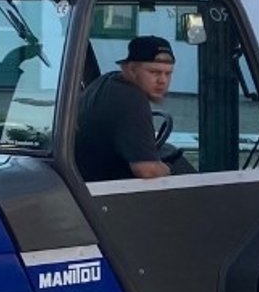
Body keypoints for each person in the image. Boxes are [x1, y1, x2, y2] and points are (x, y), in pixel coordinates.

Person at [74, 35, 191, 182]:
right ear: (131, 69)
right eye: (154, 72)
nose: (162, 81)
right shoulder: (131, 99)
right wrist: (170, 170)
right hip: (103, 192)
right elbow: (147, 171)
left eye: (168, 73)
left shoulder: (107, 81)